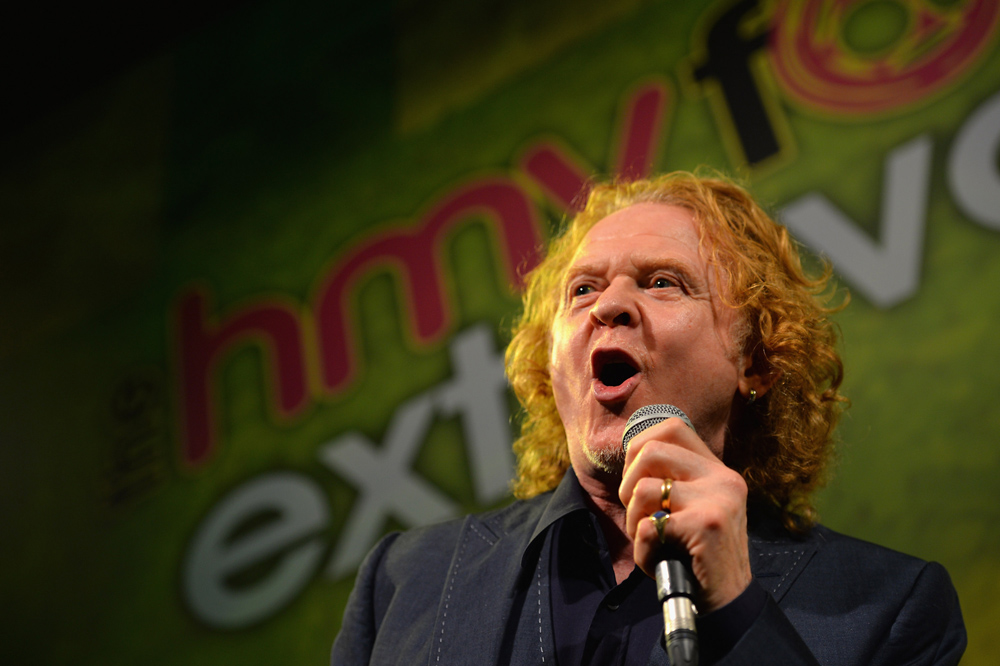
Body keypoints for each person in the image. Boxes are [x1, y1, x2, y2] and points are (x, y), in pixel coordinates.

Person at [331, 173, 966, 665]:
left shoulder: (888, 607)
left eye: (663, 282)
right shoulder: (405, 583)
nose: (609, 306)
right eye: (582, 290)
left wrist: (738, 611)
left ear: (758, 359)